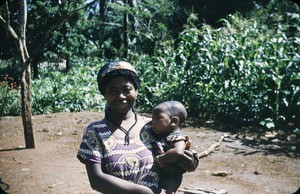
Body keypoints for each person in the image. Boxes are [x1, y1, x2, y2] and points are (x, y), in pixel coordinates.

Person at [77, 61, 198, 194]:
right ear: (104, 95)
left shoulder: (152, 125)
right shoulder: (95, 131)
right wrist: (148, 192)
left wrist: (190, 160)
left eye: (127, 89)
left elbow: (176, 147)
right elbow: (97, 180)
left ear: (136, 90)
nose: (121, 96)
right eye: (113, 91)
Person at [151, 101, 192, 194]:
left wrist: (159, 160)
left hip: (170, 178)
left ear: (173, 121)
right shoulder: (165, 135)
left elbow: (178, 151)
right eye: (152, 118)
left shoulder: (177, 137)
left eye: (157, 118)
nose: (152, 122)